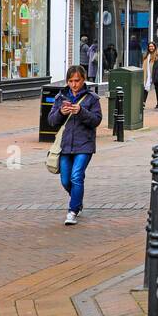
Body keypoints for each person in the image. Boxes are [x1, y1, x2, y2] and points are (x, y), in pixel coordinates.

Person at [46, 65, 102, 226]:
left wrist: (81, 111)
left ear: (83, 80)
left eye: (77, 81)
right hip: (65, 145)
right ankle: (77, 201)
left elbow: (96, 120)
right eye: (70, 81)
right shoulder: (61, 97)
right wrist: (61, 113)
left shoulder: (92, 98)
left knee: (76, 176)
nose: (74, 84)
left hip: (84, 144)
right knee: (65, 180)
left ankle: (72, 211)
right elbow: (51, 121)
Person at [141, 41, 158, 110]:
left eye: (152, 46)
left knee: (157, 90)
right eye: (150, 46)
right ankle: (143, 103)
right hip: (148, 76)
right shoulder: (146, 55)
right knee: (145, 89)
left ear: (155, 47)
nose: (151, 48)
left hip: (156, 75)